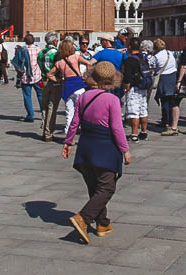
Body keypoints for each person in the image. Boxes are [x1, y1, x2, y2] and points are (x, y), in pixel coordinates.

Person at [63, 60, 130, 243]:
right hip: (105, 148)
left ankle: (102, 223)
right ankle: (83, 218)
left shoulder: (84, 96)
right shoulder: (112, 100)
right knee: (107, 187)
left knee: (95, 188)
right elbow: (117, 128)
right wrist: (125, 150)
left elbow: (75, 121)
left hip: (85, 146)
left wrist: (68, 142)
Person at [14, 35, 43, 122]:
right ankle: (44, 112)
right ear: (33, 41)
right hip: (37, 76)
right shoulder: (39, 50)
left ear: (25, 41)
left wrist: (19, 73)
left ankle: (30, 115)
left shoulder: (21, 50)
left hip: (25, 77)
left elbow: (16, 63)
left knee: (27, 96)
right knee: (40, 95)